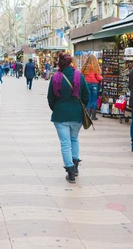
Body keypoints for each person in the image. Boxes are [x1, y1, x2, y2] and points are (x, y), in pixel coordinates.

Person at [48, 53, 89, 183]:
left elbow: (50, 98)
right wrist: (79, 106)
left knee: (65, 144)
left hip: (60, 115)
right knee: (74, 139)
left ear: (59, 64)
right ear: (71, 63)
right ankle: (75, 166)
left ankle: (70, 172)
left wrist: (57, 108)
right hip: (77, 114)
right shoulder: (79, 76)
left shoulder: (55, 77)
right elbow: (86, 96)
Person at [82, 55, 103, 120]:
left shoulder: (85, 67)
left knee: (88, 100)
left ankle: (87, 115)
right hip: (94, 85)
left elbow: (82, 75)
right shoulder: (95, 67)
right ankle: (93, 116)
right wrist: (102, 78)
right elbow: (98, 77)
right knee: (94, 100)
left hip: (87, 84)